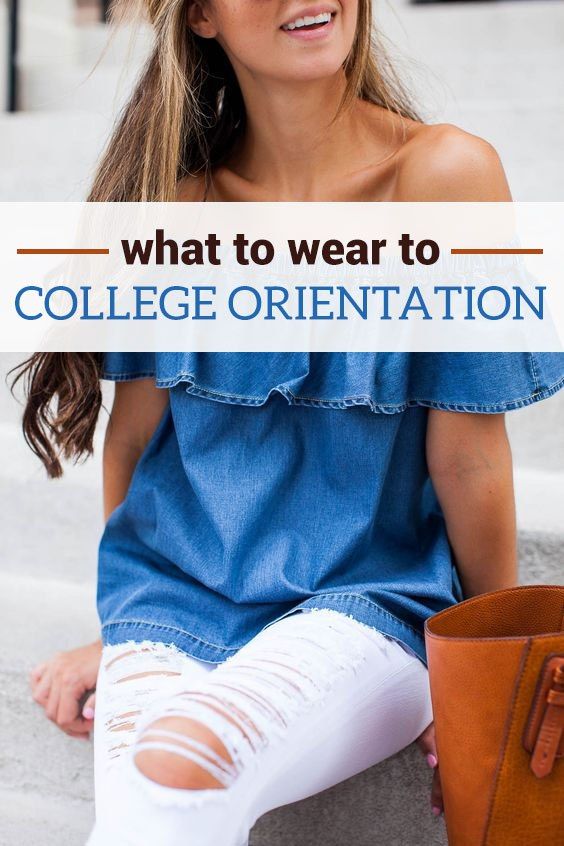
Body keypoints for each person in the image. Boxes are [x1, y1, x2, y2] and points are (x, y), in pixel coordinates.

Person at [16, 1, 564, 844]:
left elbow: (469, 461)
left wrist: (490, 672)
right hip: (170, 600)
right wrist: (120, 628)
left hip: (366, 602)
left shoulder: (445, 176)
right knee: (154, 802)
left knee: (179, 761)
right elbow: (132, 439)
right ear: (201, 16)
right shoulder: (178, 201)